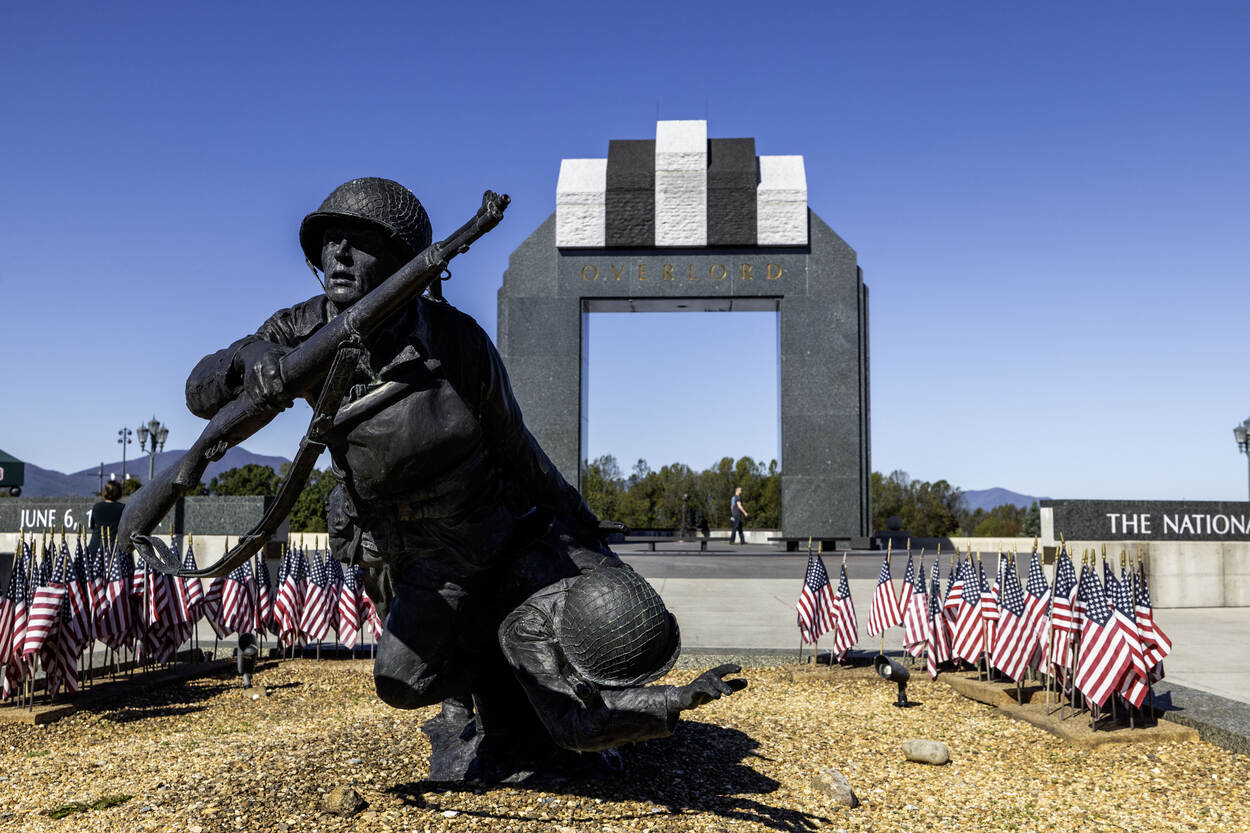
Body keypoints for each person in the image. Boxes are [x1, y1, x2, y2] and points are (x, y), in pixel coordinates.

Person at [183, 177, 610, 716]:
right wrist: (250, 355)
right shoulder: (300, 327)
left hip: (467, 537)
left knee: (439, 667)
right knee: (406, 679)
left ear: (405, 261)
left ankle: (507, 696)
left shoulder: (457, 339)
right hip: (378, 538)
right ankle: (485, 693)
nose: (339, 251)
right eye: (331, 237)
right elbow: (200, 391)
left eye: (359, 239)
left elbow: (514, 445)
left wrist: (576, 516)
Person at [497, 562, 746, 753]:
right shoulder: (526, 632)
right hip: (501, 680)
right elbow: (569, 722)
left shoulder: (617, 579)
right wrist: (673, 698)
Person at [88, 479, 125, 553]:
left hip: (96, 546)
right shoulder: (123, 508)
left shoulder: (97, 507)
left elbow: (91, 525)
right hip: (114, 548)